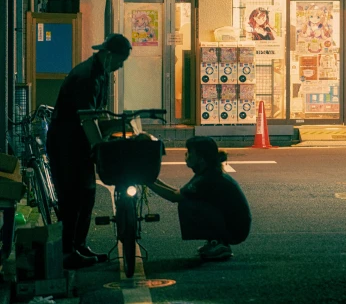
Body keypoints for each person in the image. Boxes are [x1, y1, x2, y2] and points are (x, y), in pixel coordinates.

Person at [47, 33, 132, 270]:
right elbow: (86, 119)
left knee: (87, 196)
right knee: (72, 198)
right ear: (108, 55)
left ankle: (79, 245)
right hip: (67, 145)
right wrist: (99, 147)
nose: (121, 66)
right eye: (120, 60)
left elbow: (97, 115)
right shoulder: (87, 76)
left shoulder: (100, 73)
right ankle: (67, 252)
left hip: (79, 143)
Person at [147, 136, 251, 261]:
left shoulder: (207, 178)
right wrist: (152, 179)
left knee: (187, 204)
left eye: (190, 152)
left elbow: (175, 197)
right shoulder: (209, 171)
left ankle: (218, 242)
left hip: (235, 230)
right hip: (236, 225)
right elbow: (178, 192)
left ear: (201, 159)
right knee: (188, 200)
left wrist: (146, 181)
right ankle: (216, 240)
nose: (186, 155)